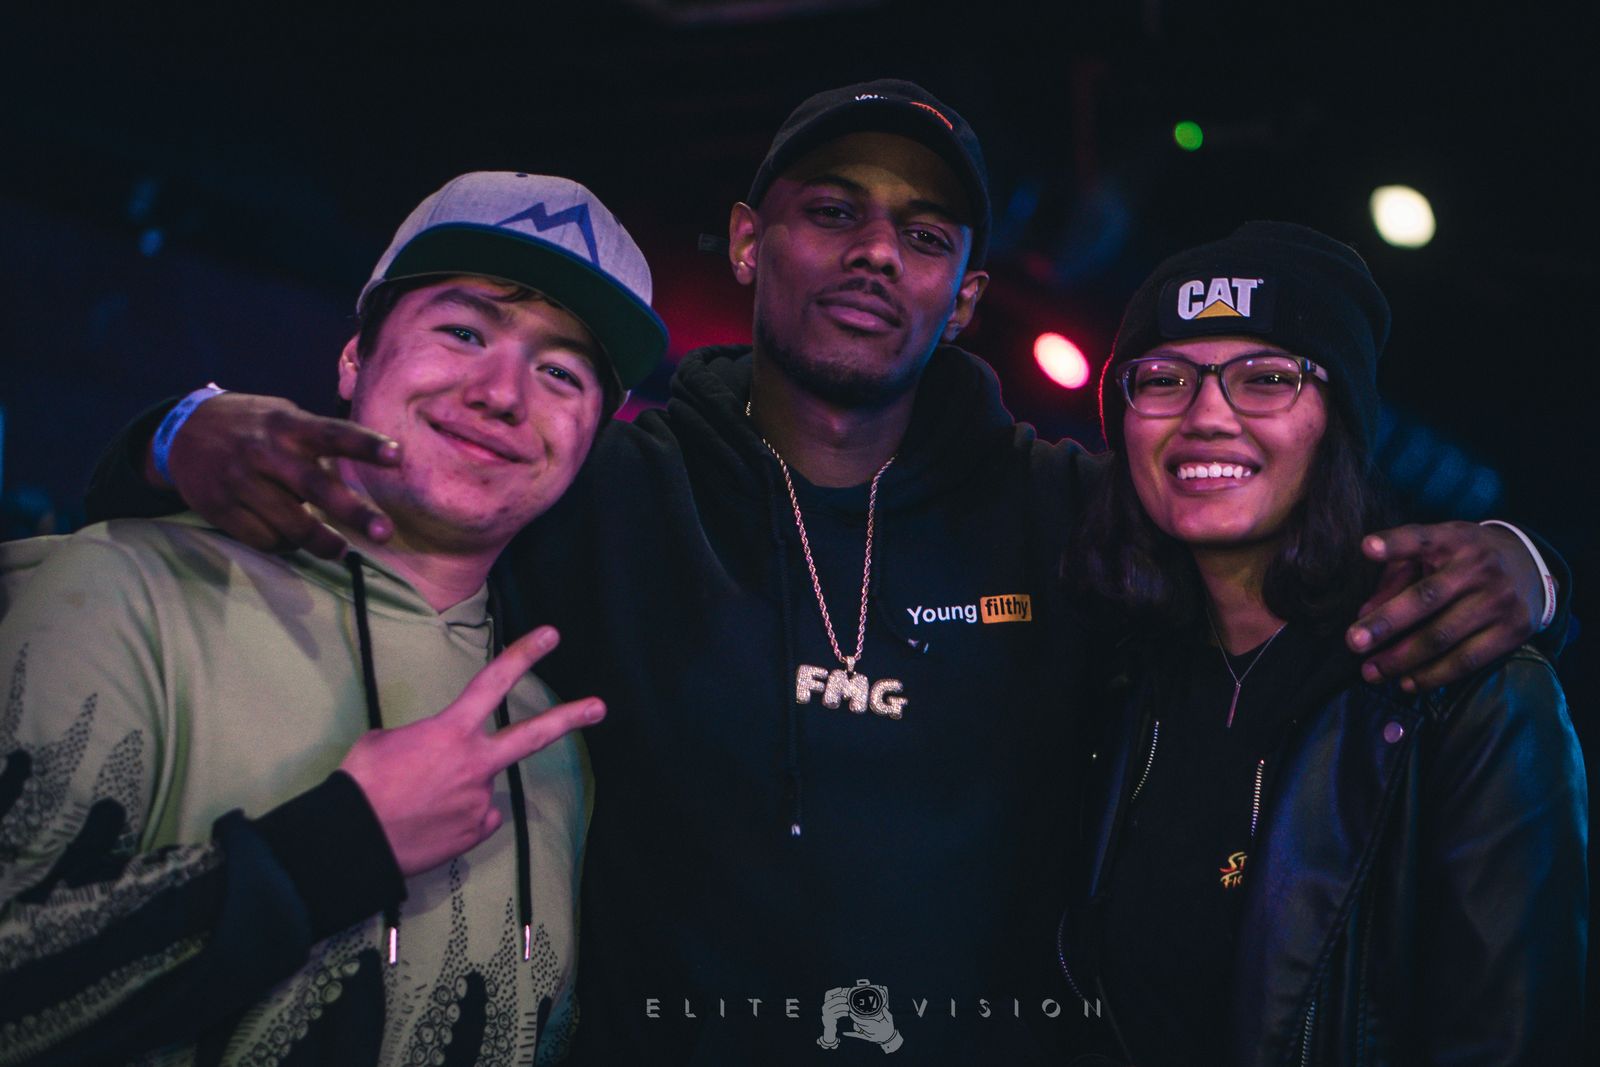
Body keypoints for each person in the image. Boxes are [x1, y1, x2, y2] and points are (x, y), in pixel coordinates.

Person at [78, 83, 1565, 1064]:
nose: (873, 255)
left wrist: (1525, 565)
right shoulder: (612, 481)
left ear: (964, 294)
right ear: (749, 239)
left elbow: (1277, 560)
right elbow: (395, 476)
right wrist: (174, 428)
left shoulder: (1068, 509)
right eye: (831, 209)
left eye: (922, 233)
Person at [0, 171, 668, 1065]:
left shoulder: (558, 738)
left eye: (560, 372)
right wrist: (331, 849)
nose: (503, 392)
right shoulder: (120, 592)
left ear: (591, 438)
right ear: (355, 358)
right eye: (464, 332)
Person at [1058, 222, 1587, 1065]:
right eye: (1162, 380)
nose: (1206, 416)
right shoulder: (1111, 667)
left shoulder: (1471, 697)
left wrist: (1540, 570)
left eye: (1267, 378)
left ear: (1337, 421)